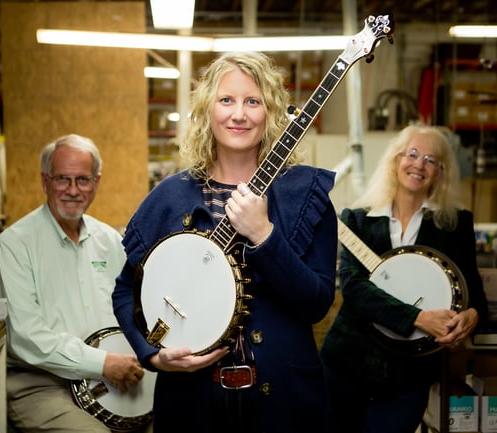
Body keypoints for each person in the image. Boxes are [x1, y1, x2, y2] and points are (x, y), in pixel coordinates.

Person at [112, 51, 338, 433]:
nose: (239, 114)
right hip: (191, 403)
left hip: (284, 402)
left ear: (270, 113)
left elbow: (317, 303)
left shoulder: (306, 195)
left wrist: (264, 236)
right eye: (226, 100)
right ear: (206, 110)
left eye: (253, 101)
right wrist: (153, 355)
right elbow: (125, 291)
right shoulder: (169, 196)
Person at [320, 124, 489, 433]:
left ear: (441, 172)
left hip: (410, 373)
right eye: (412, 154)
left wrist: (471, 316)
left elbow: (473, 292)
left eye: (430, 159)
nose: (419, 164)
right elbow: (355, 289)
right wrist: (418, 318)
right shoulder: (358, 218)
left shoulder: (454, 224)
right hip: (347, 362)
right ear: (395, 160)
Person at [0, 134, 146, 433]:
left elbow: (131, 308)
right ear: (44, 181)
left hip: (108, 379)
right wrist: (101, 363)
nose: (73, 190)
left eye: (83, 180)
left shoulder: (109, 240)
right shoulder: (15, 244)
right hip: (42, 385)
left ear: (96, 182)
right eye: (63, 179)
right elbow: (25, 338)